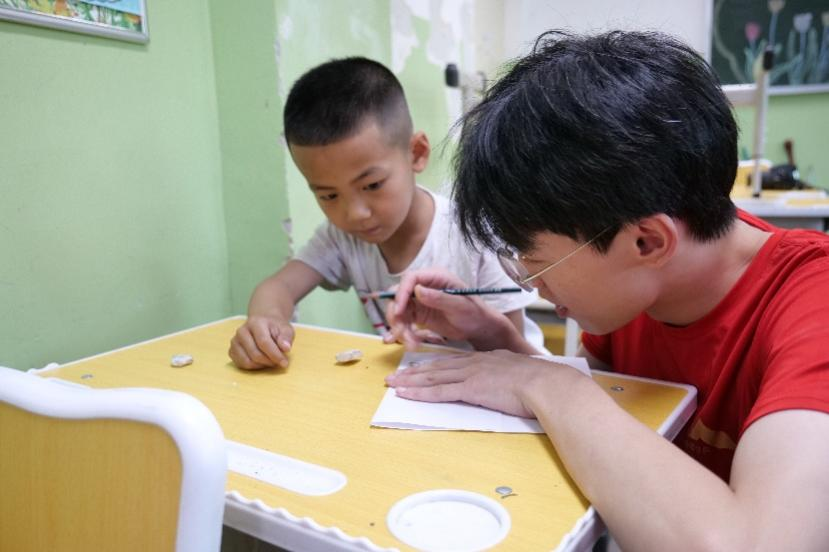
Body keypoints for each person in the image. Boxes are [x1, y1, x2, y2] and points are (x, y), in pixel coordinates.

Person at [384, 31, 829, 550]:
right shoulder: (637, 287)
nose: (530, 281)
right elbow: (607, 421)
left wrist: (553, 386)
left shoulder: (811, 305)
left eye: (536, 260)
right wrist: (496, 338)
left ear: (647, 241)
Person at [229, 57, 543, 370]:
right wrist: (266, 321)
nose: (355, 214)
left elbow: (516, 359)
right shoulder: (341, 237)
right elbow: (278, 287)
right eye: (328, 195)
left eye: (372, 185)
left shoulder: (474, 236)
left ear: (416, 153)